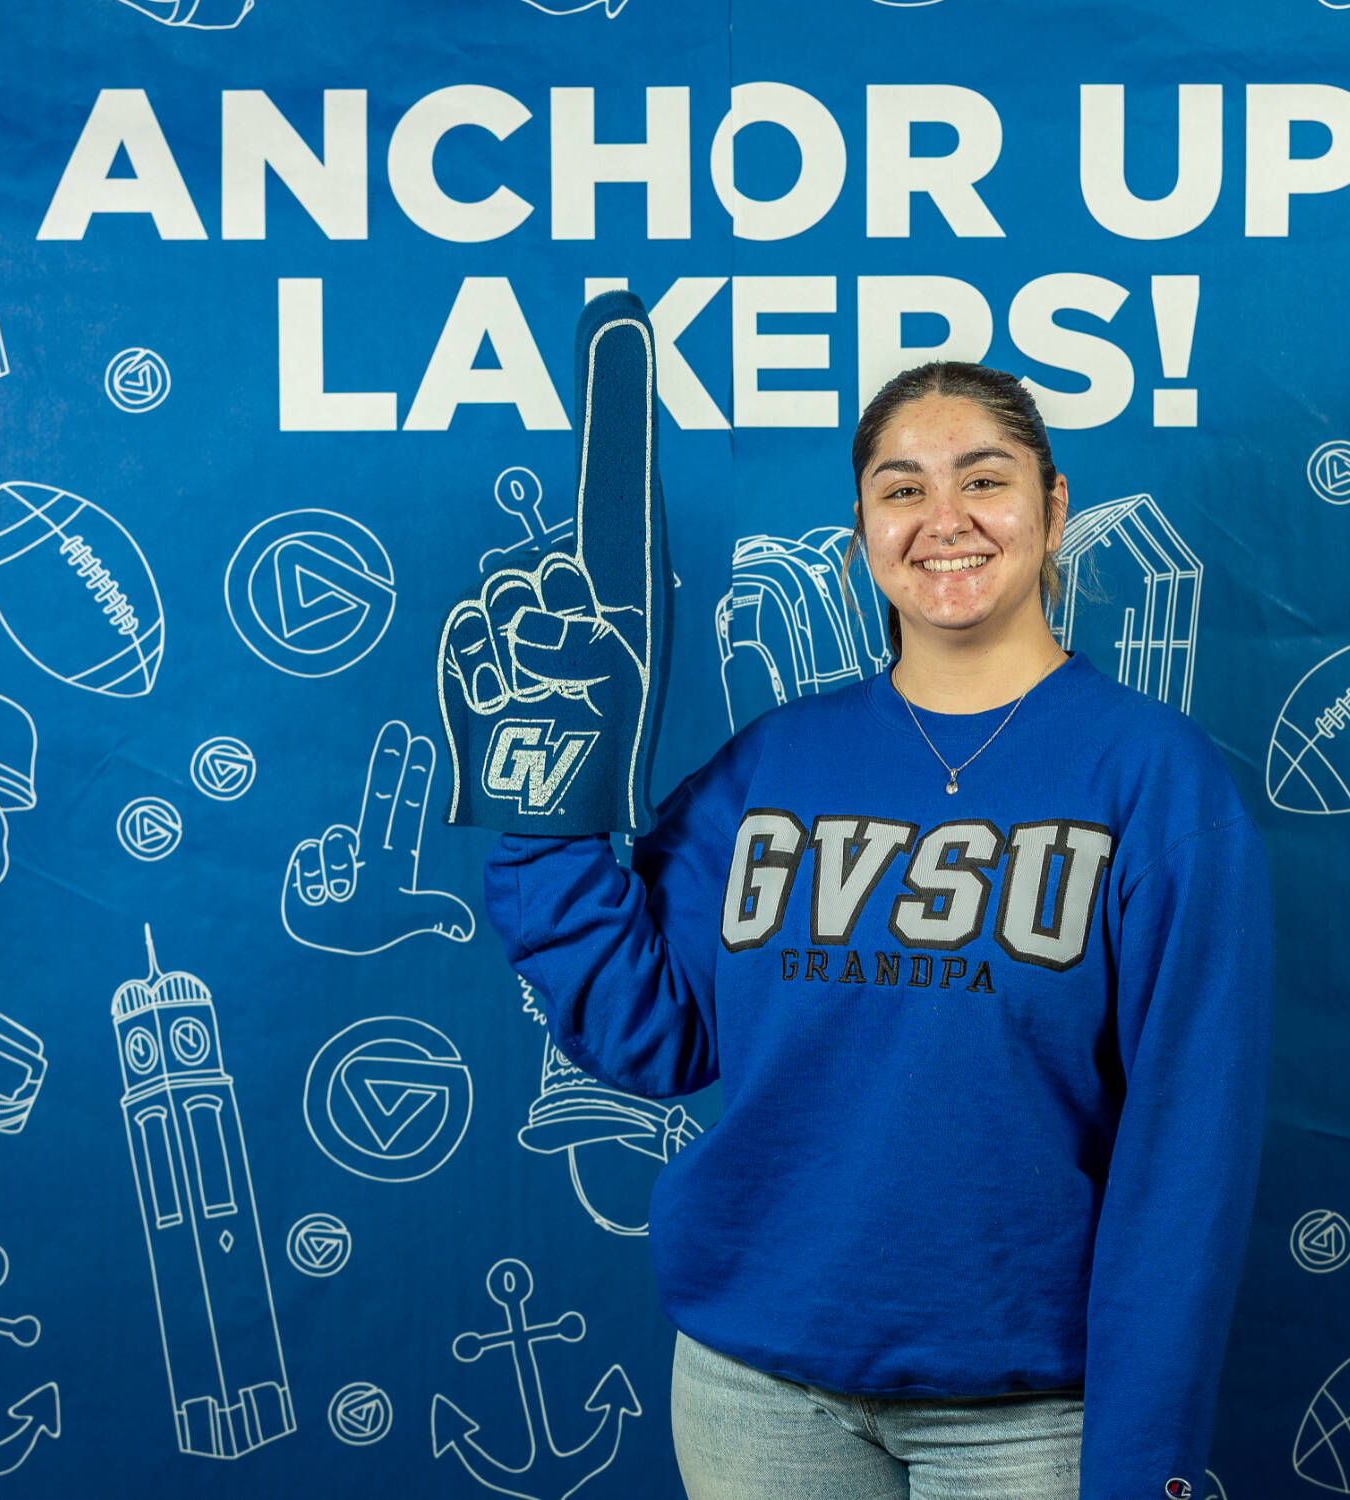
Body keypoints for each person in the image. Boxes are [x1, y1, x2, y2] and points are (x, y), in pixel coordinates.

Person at [483, 361, 1274, 1499]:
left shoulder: (1154, 782)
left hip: (1033, 1415)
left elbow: (1184, 1157)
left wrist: (1138, 1462)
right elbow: (646, 1032)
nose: (942, 521)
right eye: (900, 490)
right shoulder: (775, 762)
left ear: (1052, 510)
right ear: (859, 533)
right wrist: (545, 810)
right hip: (755, 1393)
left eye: (982, 481)